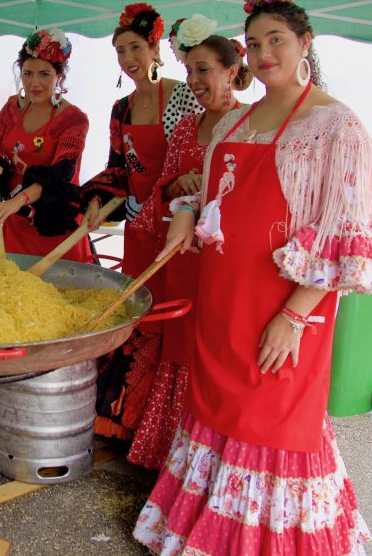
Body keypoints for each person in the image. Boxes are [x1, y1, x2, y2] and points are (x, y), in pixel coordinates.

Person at [133, 0, 372, 554]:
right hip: (221, 303)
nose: (264, 52)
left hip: (280, 309)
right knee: (218, 417)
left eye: (276, 39)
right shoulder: (234, 121)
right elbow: (204, 194)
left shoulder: (337, 127)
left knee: (277, 424)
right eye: (254, 43)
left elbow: (343, 236)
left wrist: (296, 314)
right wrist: (183, 214)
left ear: (305, 43)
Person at [121, 30, 251, 469]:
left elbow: (255, 198)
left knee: (214, 353)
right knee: (177, 351)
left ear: (232, 71)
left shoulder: (250, 125)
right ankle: (173, 461)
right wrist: (180, 185)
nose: (194, 80)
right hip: (182, 261)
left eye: (204, 70)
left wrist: (207, 191)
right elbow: (163, 184)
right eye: (190, 70)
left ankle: (212, 465)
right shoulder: (183, 129)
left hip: (223, 268)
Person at [80, 3, 201, 441]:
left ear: (155, 49)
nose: (128, 58)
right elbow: (116, 168)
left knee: (170, 318)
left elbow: (192, 158)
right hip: (137, 229)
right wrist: (97, 201)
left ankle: (167, 427)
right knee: (138, 312)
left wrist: (159, 197)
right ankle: (131, 422)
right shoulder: (121, 109)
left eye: (135, 47)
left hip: (175, 229)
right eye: (119, 50)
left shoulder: (182, 95)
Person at [0, 28, 90, 260]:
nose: (34, 82)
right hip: (14, 221)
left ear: (59, 76)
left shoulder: (74, 120)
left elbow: (59, 177)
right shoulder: (11, 109)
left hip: (54, 226)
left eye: (44, 74)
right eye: (27, 73)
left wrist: (18, 201)